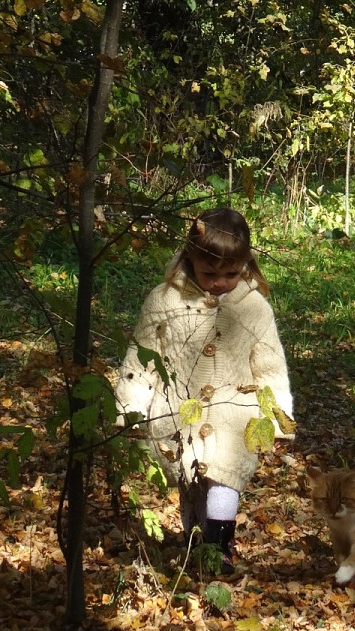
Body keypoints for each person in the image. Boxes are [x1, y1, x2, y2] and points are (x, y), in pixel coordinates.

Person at [115, 207, 294, 574]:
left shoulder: (254, 307)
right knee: (193, 486)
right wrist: (131, 405)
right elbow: (143, 357)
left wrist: (278, 416)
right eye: (209, 273)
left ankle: (220, 550)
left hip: (235, 416)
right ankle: (197, 543)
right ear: (189, 259)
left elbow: (270, 365)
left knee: (225, 480)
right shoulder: (164, 300)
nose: (220, 282)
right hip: (179, 413)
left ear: (245, 264)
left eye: (231, 274)